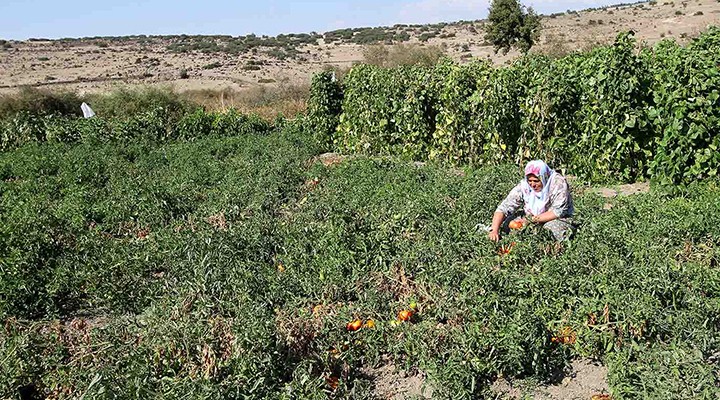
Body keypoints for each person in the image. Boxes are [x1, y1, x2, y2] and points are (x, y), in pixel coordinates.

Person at [488, 160, 574, 242]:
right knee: (508, 223)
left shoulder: (557, 183)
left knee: (549, 232)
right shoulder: (524, 186)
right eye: (530, 181)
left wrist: (530, 221)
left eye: (536, 181)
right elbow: (504, 207)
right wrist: (494, 230)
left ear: (544, 177)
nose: (532, 184)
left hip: (557, 218)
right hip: (532, 216)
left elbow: (558, 211)